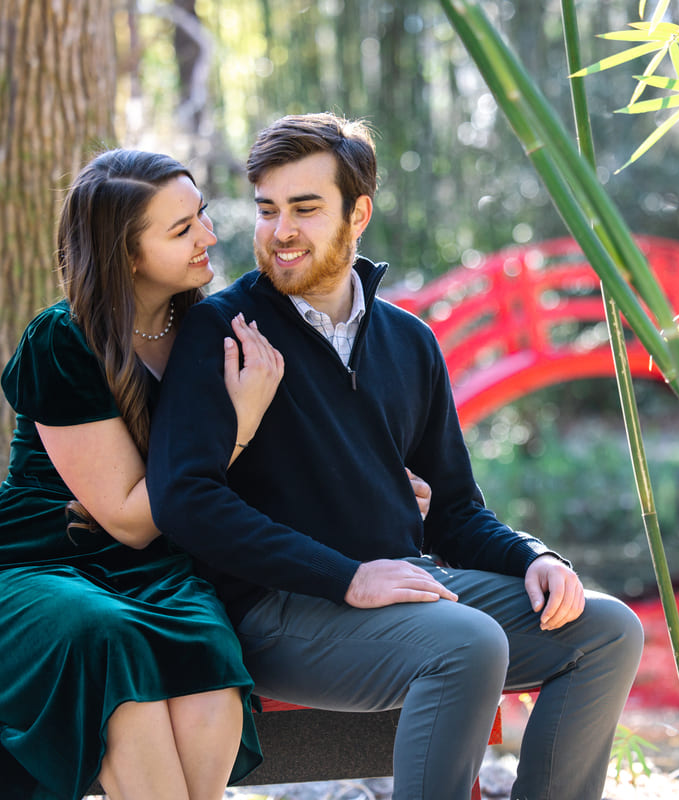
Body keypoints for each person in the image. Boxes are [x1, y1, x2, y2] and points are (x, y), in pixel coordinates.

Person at [147, 112, 645, 800]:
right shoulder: (222, 331)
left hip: (407, 591)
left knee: (606, 630)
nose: (280, 230)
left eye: (305, 208)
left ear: (359, 215)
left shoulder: (409, 341)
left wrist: (533, 557)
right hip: (275, 612)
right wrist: (348, 576)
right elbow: (185, 499)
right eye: (267, 209)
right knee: (465, 645)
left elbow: (457, 512)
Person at [0, 149, 289, 800]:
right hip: (38, 569)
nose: (210, 237)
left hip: (162, 573)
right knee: (106, 637)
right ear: (128, 256)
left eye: (203, 216)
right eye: (182, 229)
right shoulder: (62, 342)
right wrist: (239, 425)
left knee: (209, 654)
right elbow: (131, 519)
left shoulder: (209, 328)